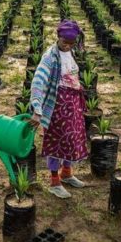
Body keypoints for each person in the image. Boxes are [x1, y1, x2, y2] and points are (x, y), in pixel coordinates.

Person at [29, 19, 88, 199]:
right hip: (57, 105)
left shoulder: (71, 52)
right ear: (58, 37)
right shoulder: (50, 56)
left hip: (73, 103)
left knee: (73, 139)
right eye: (65, 42)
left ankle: (67, 173)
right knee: (57, 141)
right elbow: (39, 80)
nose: (68, 46)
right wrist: (37, 109)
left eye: (71, 43)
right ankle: (54, 182)